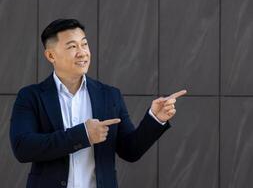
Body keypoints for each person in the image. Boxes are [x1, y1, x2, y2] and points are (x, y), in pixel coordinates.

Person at [10, 19, 187, 188]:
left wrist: (155, 118)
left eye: (84, 44)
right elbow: (23, 148)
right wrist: (83, 135)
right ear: (50, 55)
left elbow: (130, 151)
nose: (82, 52)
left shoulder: (109, 95)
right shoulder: (31, 96)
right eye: (72, 46)